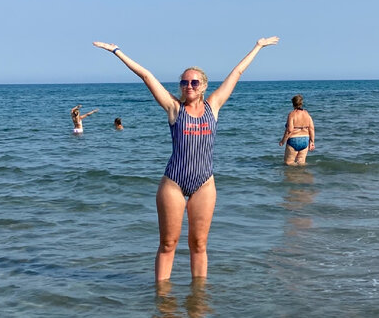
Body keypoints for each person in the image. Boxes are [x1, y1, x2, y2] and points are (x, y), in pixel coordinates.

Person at [93, 37, 279, 280]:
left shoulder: (214, 106)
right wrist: (117, 51)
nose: (188, 86)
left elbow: (238, 72)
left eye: (194, 82)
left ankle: (198, 300)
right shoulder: (174, 108)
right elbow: (147, 76)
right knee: (168, 244)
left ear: (203, 86)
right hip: (174, 183)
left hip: (204, 184)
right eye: (184, 82)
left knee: (199, 245)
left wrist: (258, 46)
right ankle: (162, 301)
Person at [279, 94, 315, 165]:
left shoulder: (291, 114)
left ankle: (292, 175)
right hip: (305, 140)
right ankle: (301, 175)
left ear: (293, 104)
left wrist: (282, 141)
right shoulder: (307, 114)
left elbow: (289, 130)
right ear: (301, 103)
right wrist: (312, 142)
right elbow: (311, 128)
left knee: (288, 163)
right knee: (301, 163)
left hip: (293, 140)